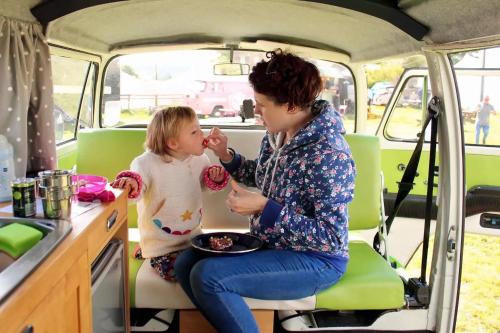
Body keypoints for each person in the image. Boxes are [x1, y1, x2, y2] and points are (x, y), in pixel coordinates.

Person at [174, 49, 356, 333]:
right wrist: (225, 155)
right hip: (271, 243)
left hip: (316, 260)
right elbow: (260, 174)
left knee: (208, 276)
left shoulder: (328, 153)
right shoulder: (277, 133)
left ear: (292, 106)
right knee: (186, 262)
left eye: (261, 104)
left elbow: (329, 236)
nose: (254, 110)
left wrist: (263, 208)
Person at [111, 106, 229, 281]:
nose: (202, 135)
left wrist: (215, 178)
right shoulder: (145, 163)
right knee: (178, 272)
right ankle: (148, 253)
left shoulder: (200, 159)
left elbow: (207, 187)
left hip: (193, 238)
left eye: (200, 129)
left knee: (217, 263)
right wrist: (131, 183)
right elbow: (137, 187)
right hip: (161, 246)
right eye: (194, 132)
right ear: (173, 143)